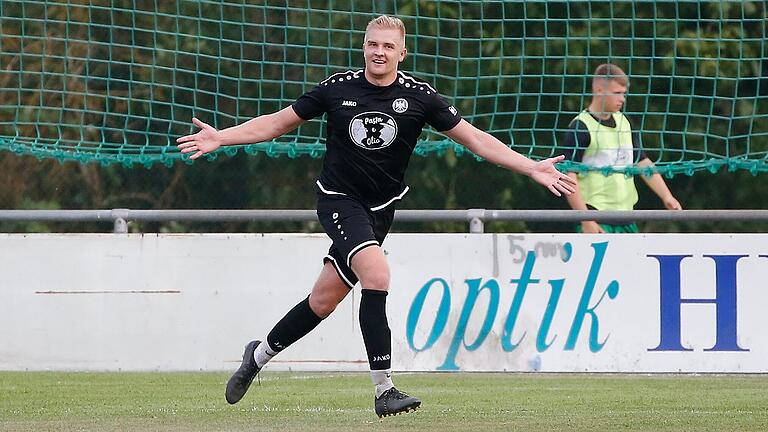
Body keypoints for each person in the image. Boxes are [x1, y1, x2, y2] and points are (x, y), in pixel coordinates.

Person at [177, 15, 575, 418]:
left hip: (380, 212)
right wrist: (220, 137)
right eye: (372, 44)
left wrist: (531, 167)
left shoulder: (421, 98)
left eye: (387, 46)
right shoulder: (338, 89)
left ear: (402, 52)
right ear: (363, 47)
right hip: (338, 200)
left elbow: (475, 140)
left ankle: (256, 357)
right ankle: (384, 390)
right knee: (378, 275)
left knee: (322, 301)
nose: (378, 52)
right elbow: (277, 124)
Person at [562, 63, 682, 233]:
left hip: (627, 217)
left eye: (624, 94)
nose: (622, 99)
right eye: (617, 93)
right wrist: (586, 219)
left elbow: (642, 161)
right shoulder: (580, 127)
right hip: (596, 219)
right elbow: (569, 175)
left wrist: (666, 196)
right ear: (598, 90)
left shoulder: (625, 122)